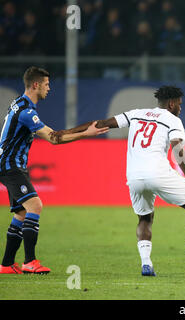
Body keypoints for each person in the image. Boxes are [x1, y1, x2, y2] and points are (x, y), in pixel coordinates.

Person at [53, 86, 185, 276]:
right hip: (158, 172)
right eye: (179, 104)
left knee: (145, 218)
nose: (180, 108)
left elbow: (101, 123)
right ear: (171, 104)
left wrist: (67, 131)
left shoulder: (136, 114)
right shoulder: (173, 120)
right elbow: (176, 145)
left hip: (134, 176)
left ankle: (146, 264)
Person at [0, 66, 108, 274]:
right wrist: (87, 134)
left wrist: (85, 128)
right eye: (47, 84)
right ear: (35, 85)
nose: (49, 88)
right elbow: (54, 139)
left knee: (22, 212)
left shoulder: (20, 105)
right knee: (35, 205)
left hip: (11, 164)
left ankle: (6, 265)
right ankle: (29, 262)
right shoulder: (26, 112)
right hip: (10, 165)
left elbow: (56, 133)